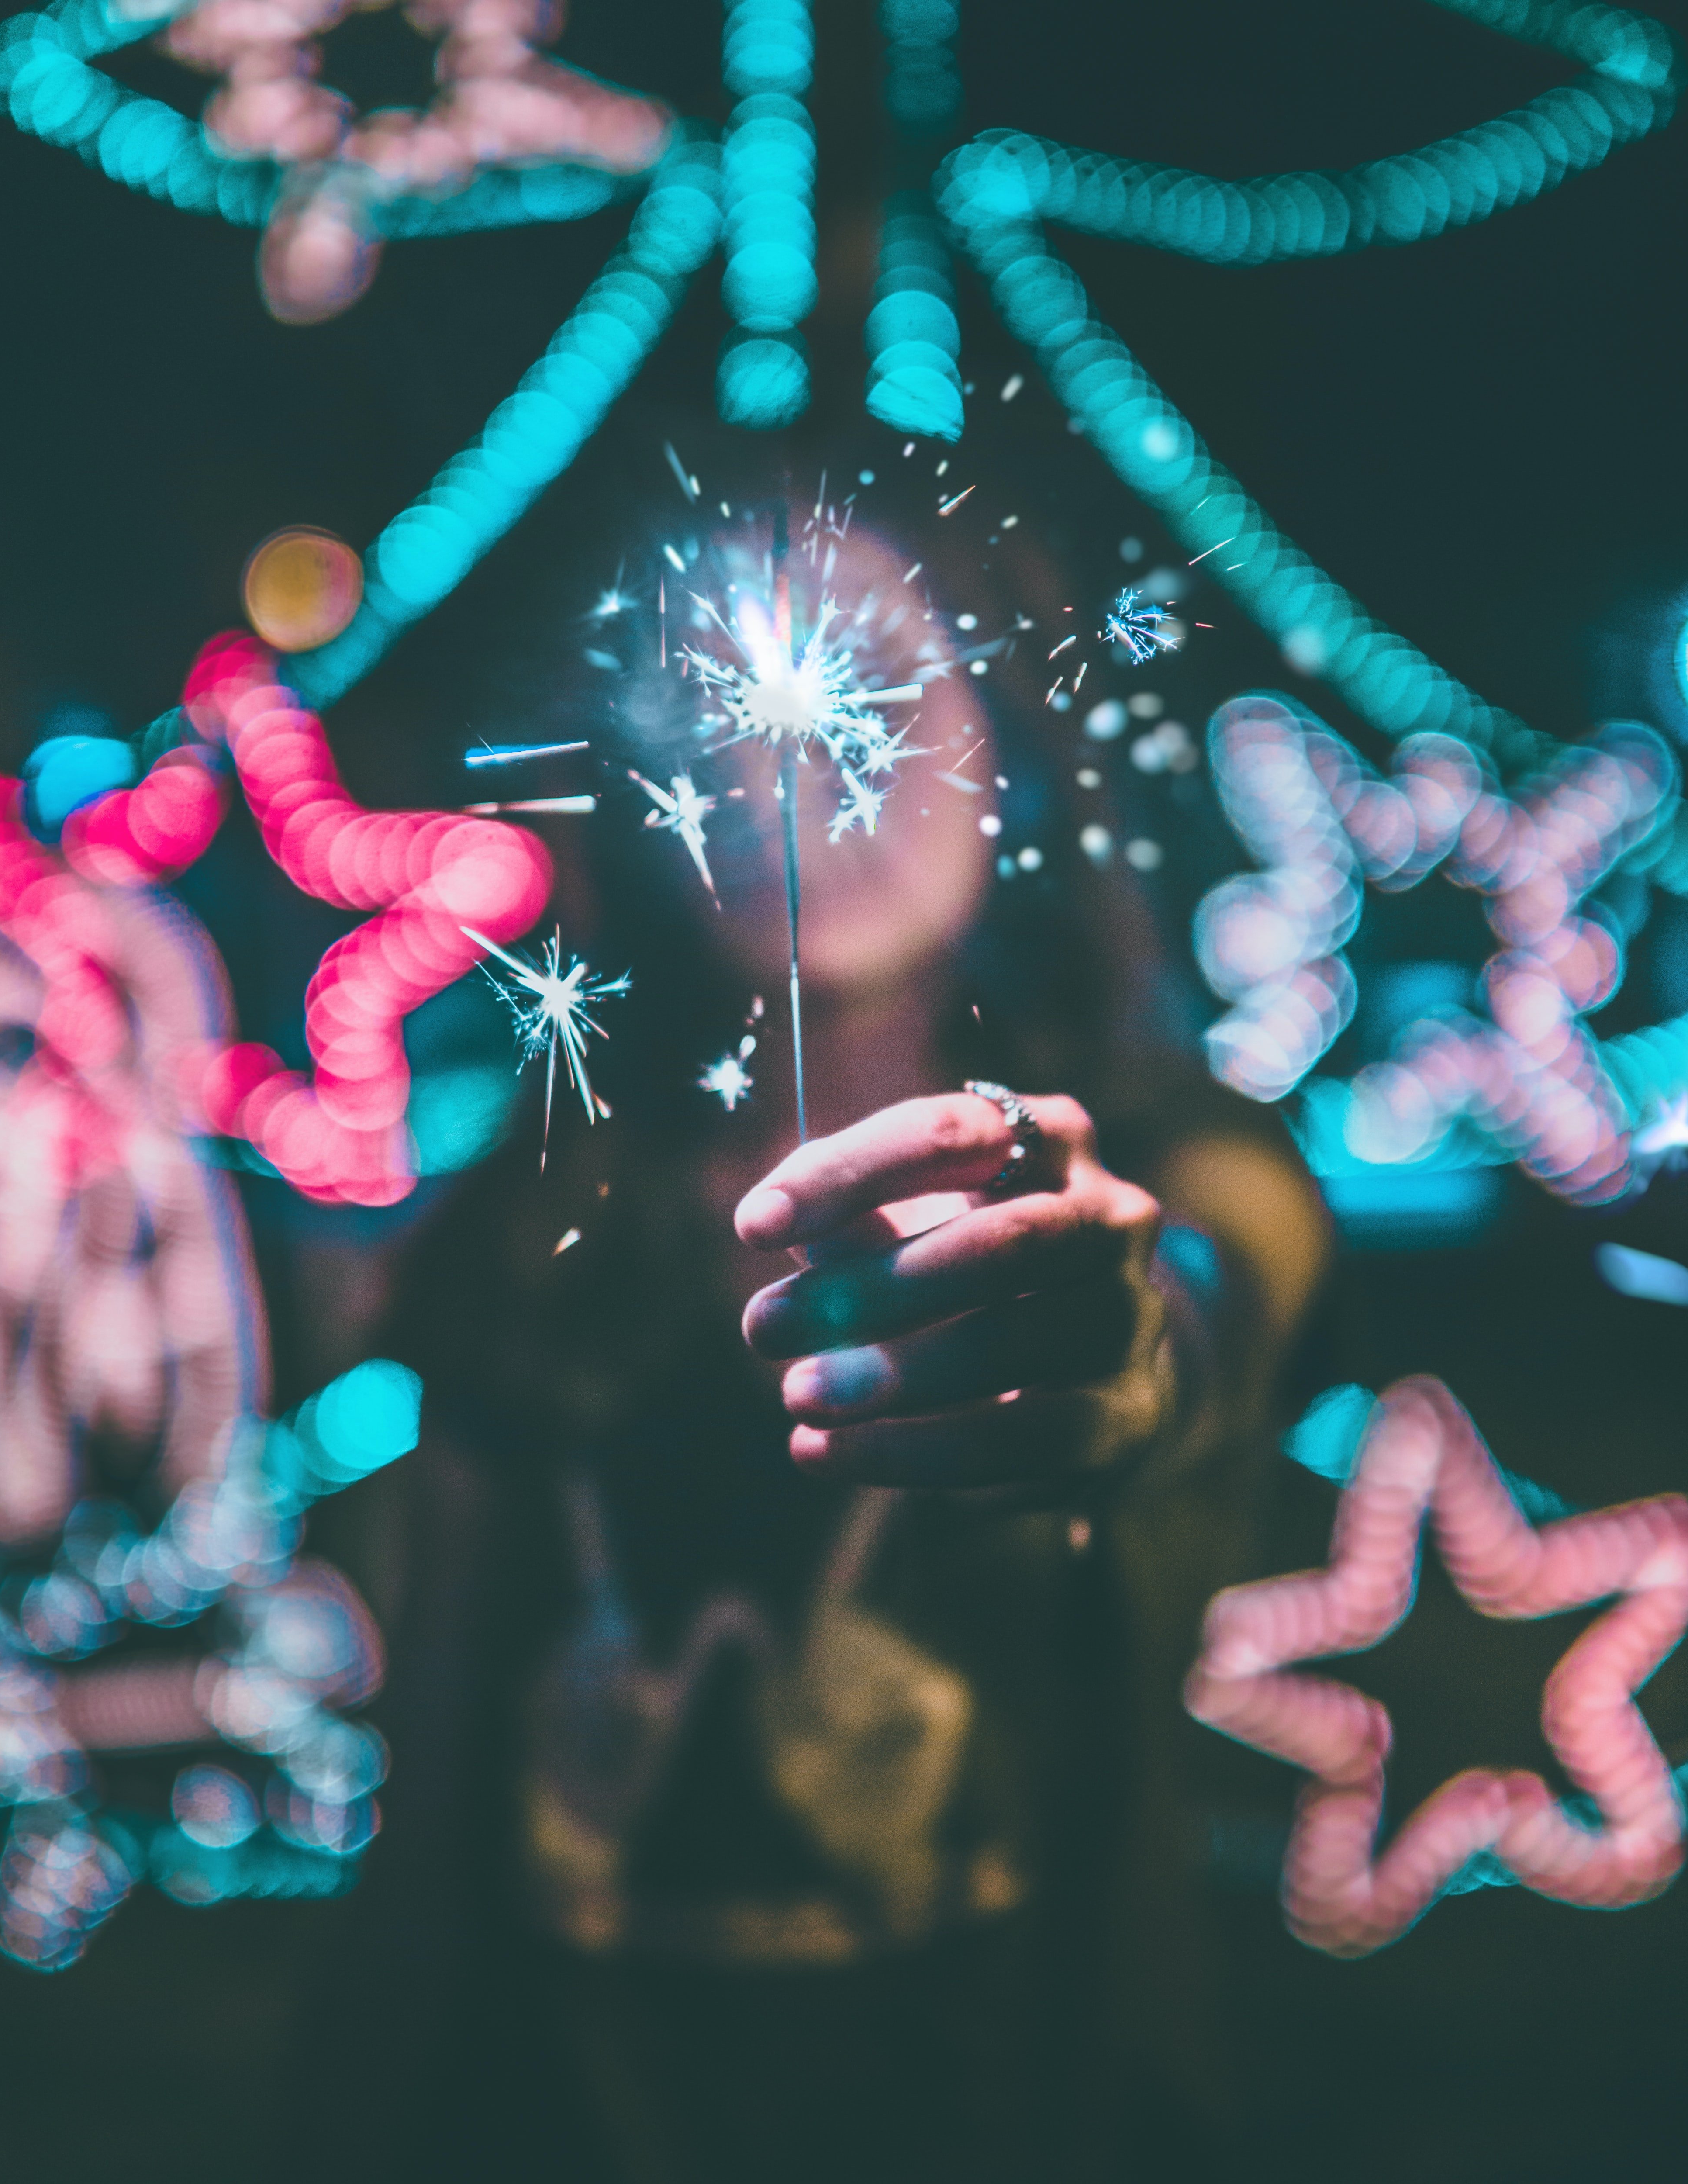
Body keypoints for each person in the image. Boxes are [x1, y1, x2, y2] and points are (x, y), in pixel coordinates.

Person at [300, 439, 1332, 2182]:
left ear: (1003, 731)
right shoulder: (537, 1226)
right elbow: (440, 1799)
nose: (784, 759)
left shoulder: (1181, 1160)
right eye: (718, 701)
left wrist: (1124, 1338)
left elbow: (1207, 1293)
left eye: (878, 681)